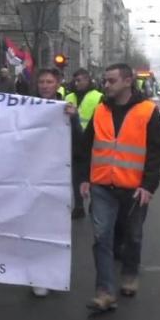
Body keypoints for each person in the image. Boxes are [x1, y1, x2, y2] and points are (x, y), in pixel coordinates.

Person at [80, 63, 160, 312]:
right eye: (105, 81)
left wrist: (148, 186)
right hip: (102, 185)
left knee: (133, 236)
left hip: (134, 188)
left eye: (111, 81)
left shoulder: (147, 111)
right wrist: (85, 177)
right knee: (102, 238)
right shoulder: (100, 110)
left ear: (128, 82)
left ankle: (129, 274)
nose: (105, 85)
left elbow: (157, 152)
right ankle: (105, 291)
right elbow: (87, 147)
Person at [32, 68, 83, 297]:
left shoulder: (66, 109)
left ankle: (52, 272)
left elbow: (81, 142)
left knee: (56, 227)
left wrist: (74, 120)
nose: (44, 85)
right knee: (34, 226)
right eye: (41, 81)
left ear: (58, 83)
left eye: (49, 82)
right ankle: (38, 275)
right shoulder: (26, 106)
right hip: (32, 176)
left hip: (59, 176)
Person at [65, 69, 103, 219]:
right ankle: (79, 205)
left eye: (80, 80)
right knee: (76, 176)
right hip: (73, 141)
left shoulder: (98, 97)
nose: (77, 83)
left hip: (92, 141)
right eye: (76, 80)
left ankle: (95, 203)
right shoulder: (68, 97)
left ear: (88, 80)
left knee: (92, 176)